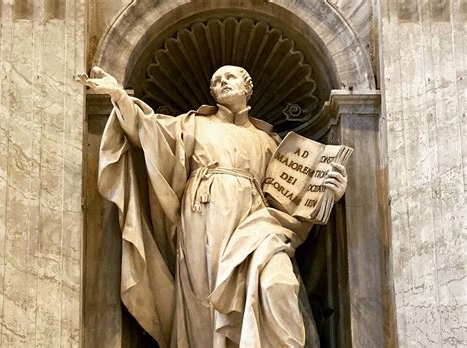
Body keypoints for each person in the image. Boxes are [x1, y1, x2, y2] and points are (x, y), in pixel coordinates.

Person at [77, 65, 347, 347]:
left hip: (256, 222)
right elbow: (146, 131)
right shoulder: (193, 125)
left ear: (248, 86)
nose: (221, 83)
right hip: (202, 218)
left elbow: (292, 201)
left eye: (229, 77)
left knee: (277, 281)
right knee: (205, 303)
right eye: (216, 80)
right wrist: (119, 96)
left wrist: (327, 194)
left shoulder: (270, 141)